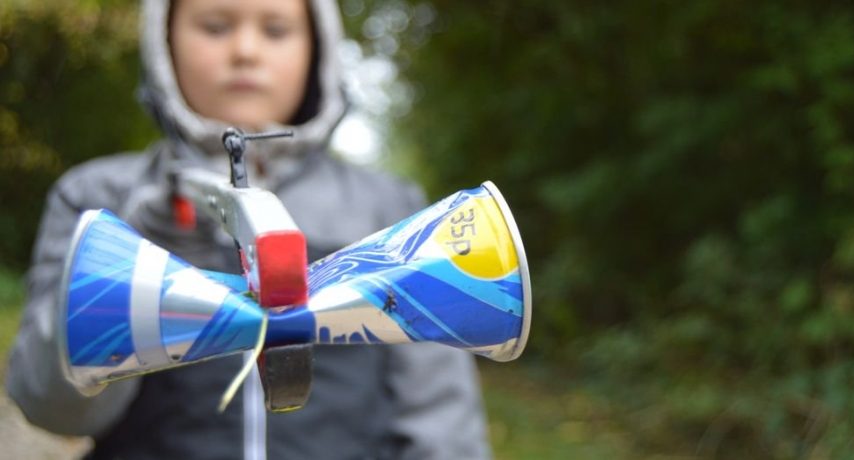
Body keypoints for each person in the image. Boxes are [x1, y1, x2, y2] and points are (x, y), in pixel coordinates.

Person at [5, 0, 491, 458]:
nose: (245, 50)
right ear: (164, 39)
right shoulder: (98, 198)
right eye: (215, 26)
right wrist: (135, 265)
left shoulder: (389, 209)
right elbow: (53, 407)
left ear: (317, 45)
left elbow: (441, 422)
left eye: (276, 29)